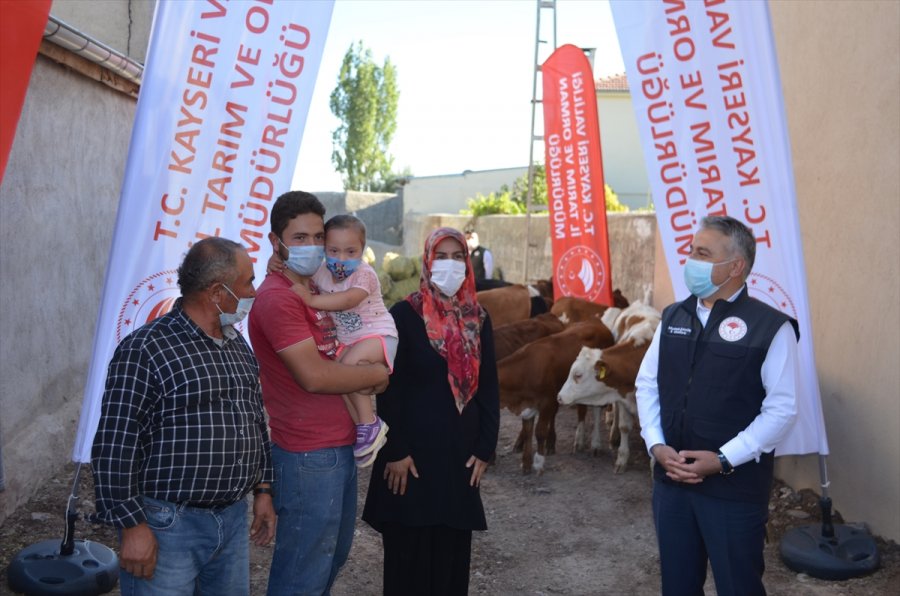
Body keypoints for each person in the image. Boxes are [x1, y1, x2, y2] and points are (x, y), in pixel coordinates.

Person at [91, 237, 276, 595]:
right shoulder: (146, 349)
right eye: (248, 281)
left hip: (232, 521)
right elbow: (115, 445)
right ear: (217, 292)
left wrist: (263, 491)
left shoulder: (236, 343)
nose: (255, 291)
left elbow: (254, 420)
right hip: (168, 525)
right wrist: (132, 527)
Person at [635, 215, 800, 596]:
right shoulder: (674, 315)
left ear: (736, 266)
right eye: (692, 250)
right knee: (677, 587)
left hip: (733, 492)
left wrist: (723, 459)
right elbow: (647, 384)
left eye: (702, 252)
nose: (690, 258)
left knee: (738, 587)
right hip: (671, 485)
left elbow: (782, 410)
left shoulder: (771, 327)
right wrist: (656, 446)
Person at [248, 190, 391, 596]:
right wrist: (377, 377)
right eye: (299, 238)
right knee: (303, 572)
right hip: (309, 454)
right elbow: (313, 376)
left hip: (338, 446)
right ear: (277, 242)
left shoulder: (316, 285)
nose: (311, 247)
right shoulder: (278, 299)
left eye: (316, 238)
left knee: (331, 558)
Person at [362, 226, 500, 596]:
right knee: (409, 565)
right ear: (427, 260)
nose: (450, 265)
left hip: (459, 461)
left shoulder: (478, 319)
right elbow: (389, 389)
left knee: (450, 567)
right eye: (442, 256)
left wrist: (486, 448)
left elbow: (488, 388)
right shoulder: (403, 316)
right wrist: (396, 451)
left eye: (458, 257)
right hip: (411, 462)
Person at [287, 214, 398, 467]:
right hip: (349, 342)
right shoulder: (321, 272)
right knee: (342, 381)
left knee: (347, 369)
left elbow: (348, 300)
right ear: (324, 249)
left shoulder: (364, 275)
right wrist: (277, 263)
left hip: (378, 335)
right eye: (334, 250)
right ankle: (363, 426)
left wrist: (312, 300)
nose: (342, 258)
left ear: (363, 250)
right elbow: (298, 275)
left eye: (351, 251)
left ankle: (370, 423)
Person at [464, 227, 503, 292]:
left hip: (480, 289)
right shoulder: (464, 254)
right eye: (467, 238)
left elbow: (488, 275)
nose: (469, 240)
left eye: (471, 238)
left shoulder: (485, 253)